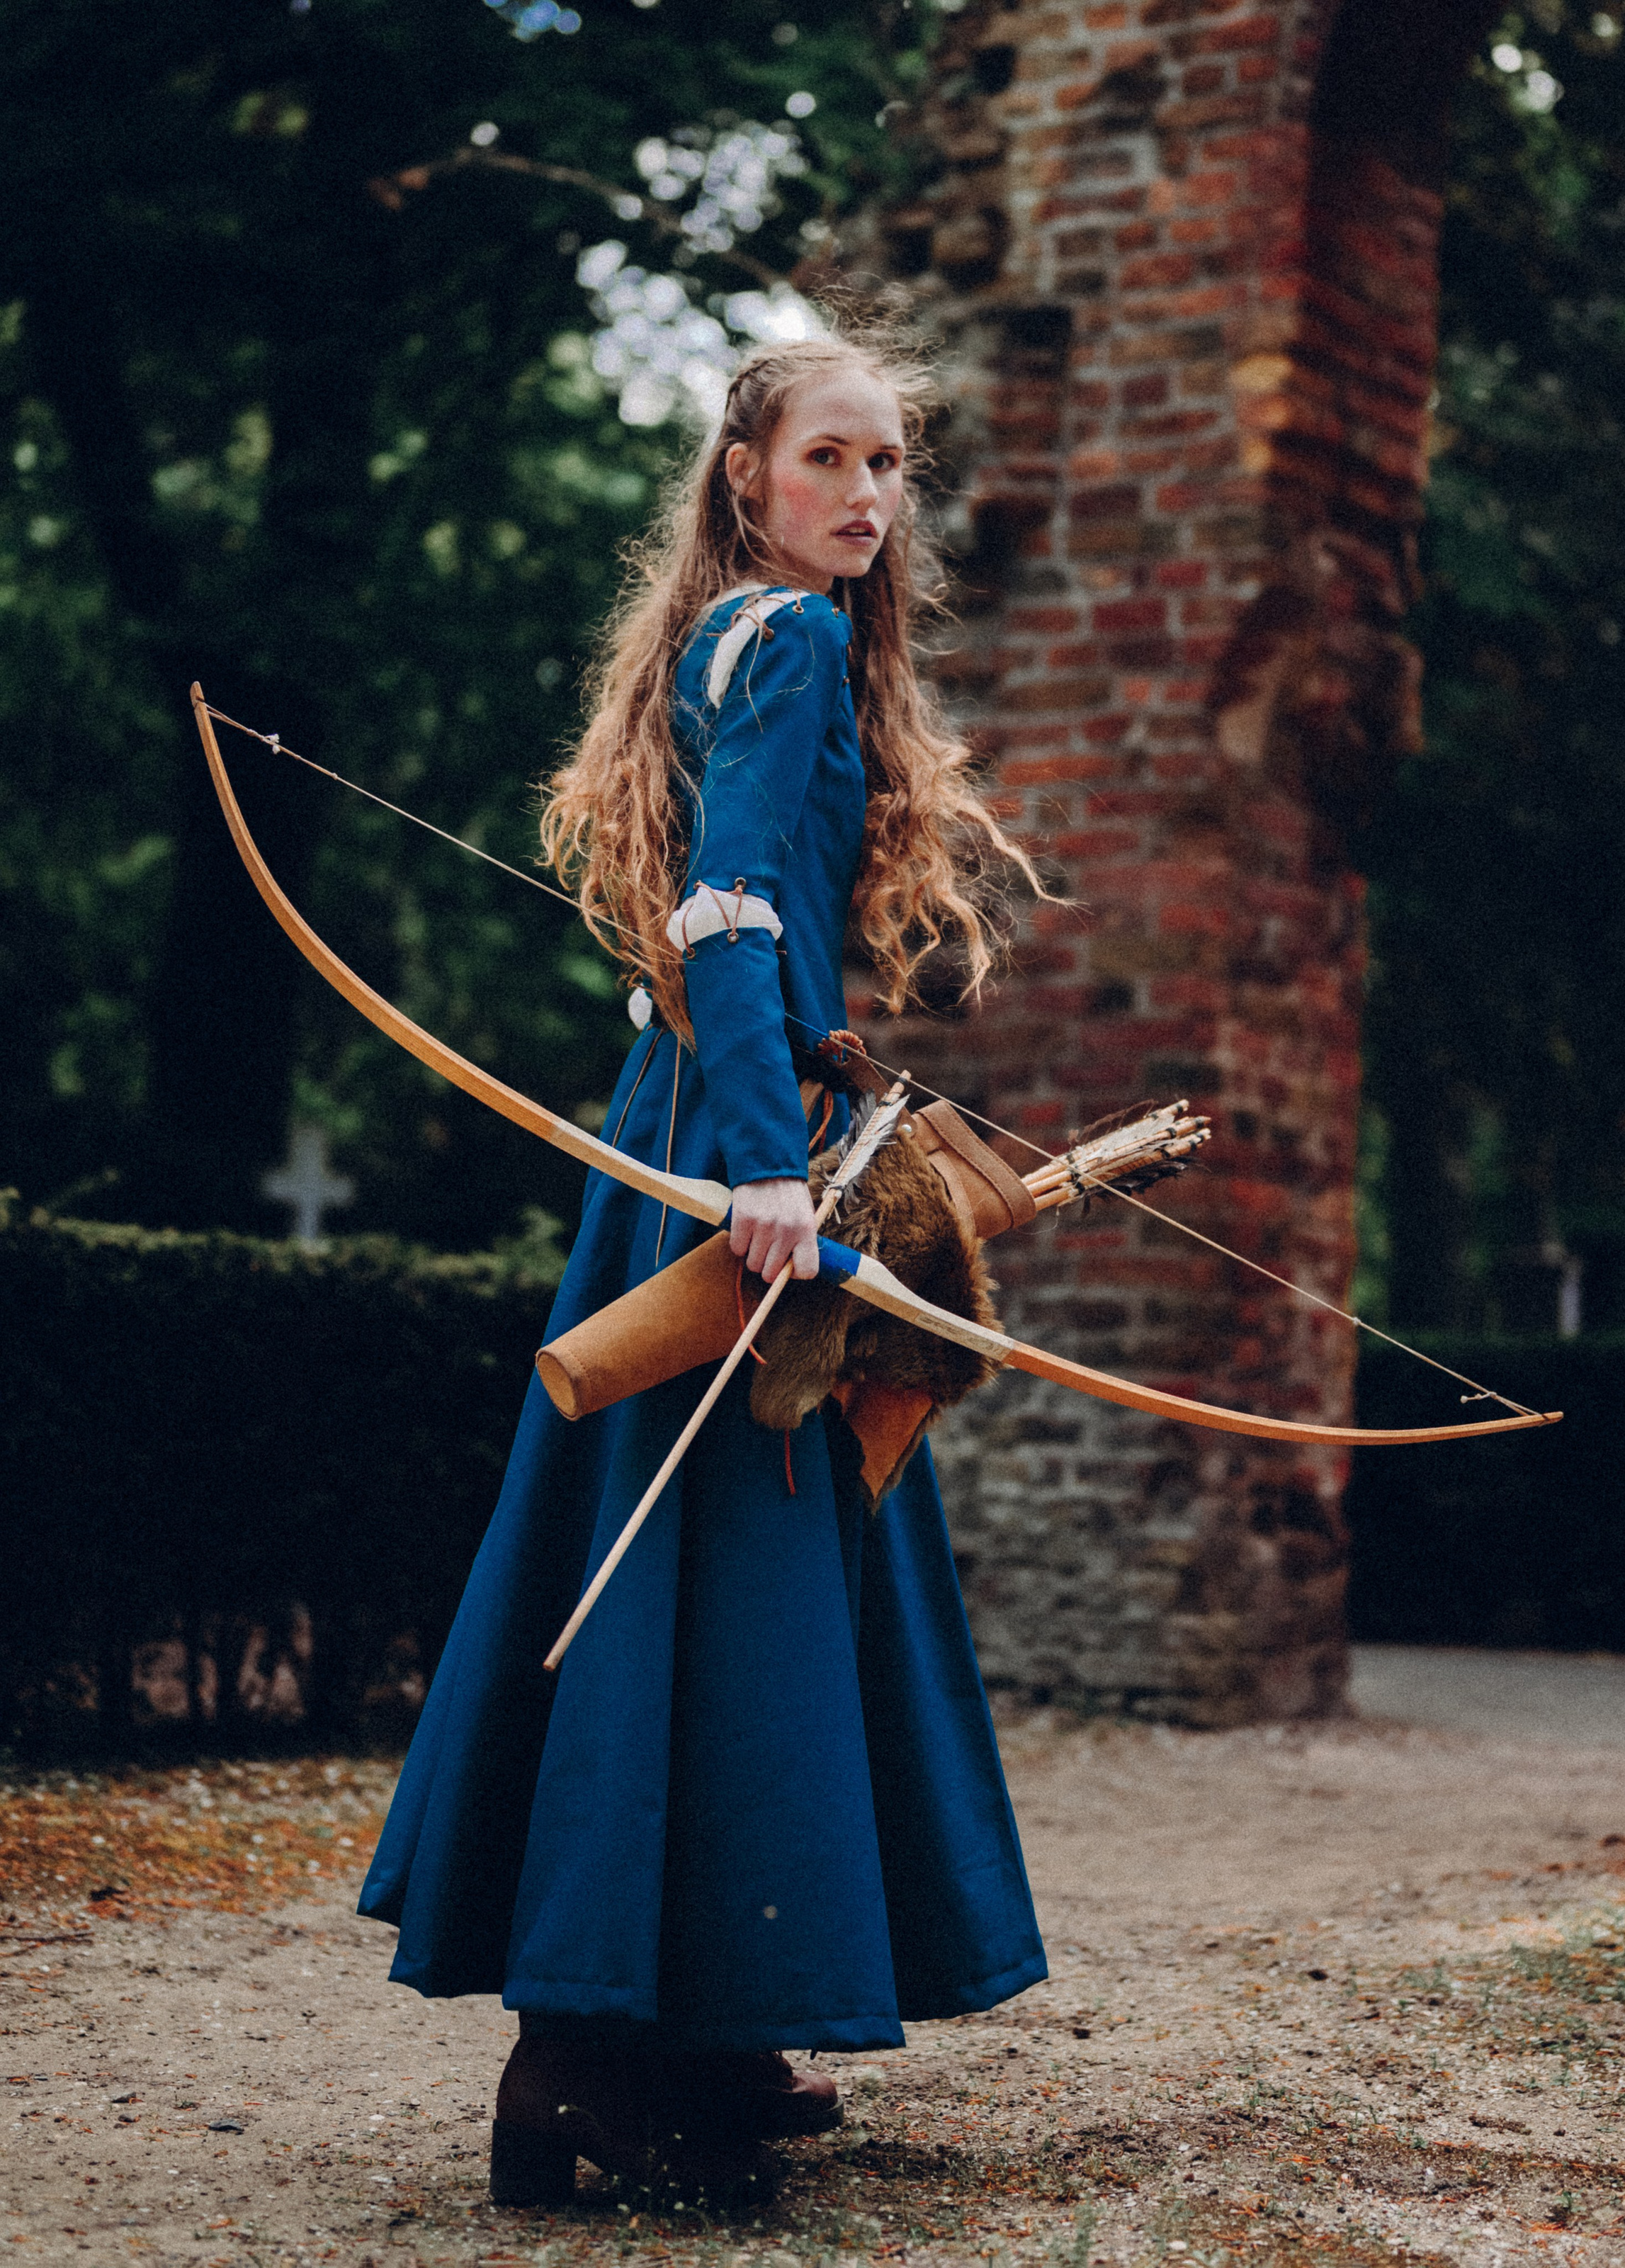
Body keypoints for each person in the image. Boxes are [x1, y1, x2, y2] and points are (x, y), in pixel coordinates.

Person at [357, 328, 1049, 2206]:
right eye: (830, 457)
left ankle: (713, 2026)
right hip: (729, 1161)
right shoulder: (793, 636)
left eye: (889, 464)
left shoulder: (738, 634)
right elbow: (724, 910)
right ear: (746, 473)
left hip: (730, 1117)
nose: (868, 493)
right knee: (710, 1564)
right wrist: (761, 1167)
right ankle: (581, 2056)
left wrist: (808, 1078)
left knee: (738, 1573)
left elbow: (754, 928)